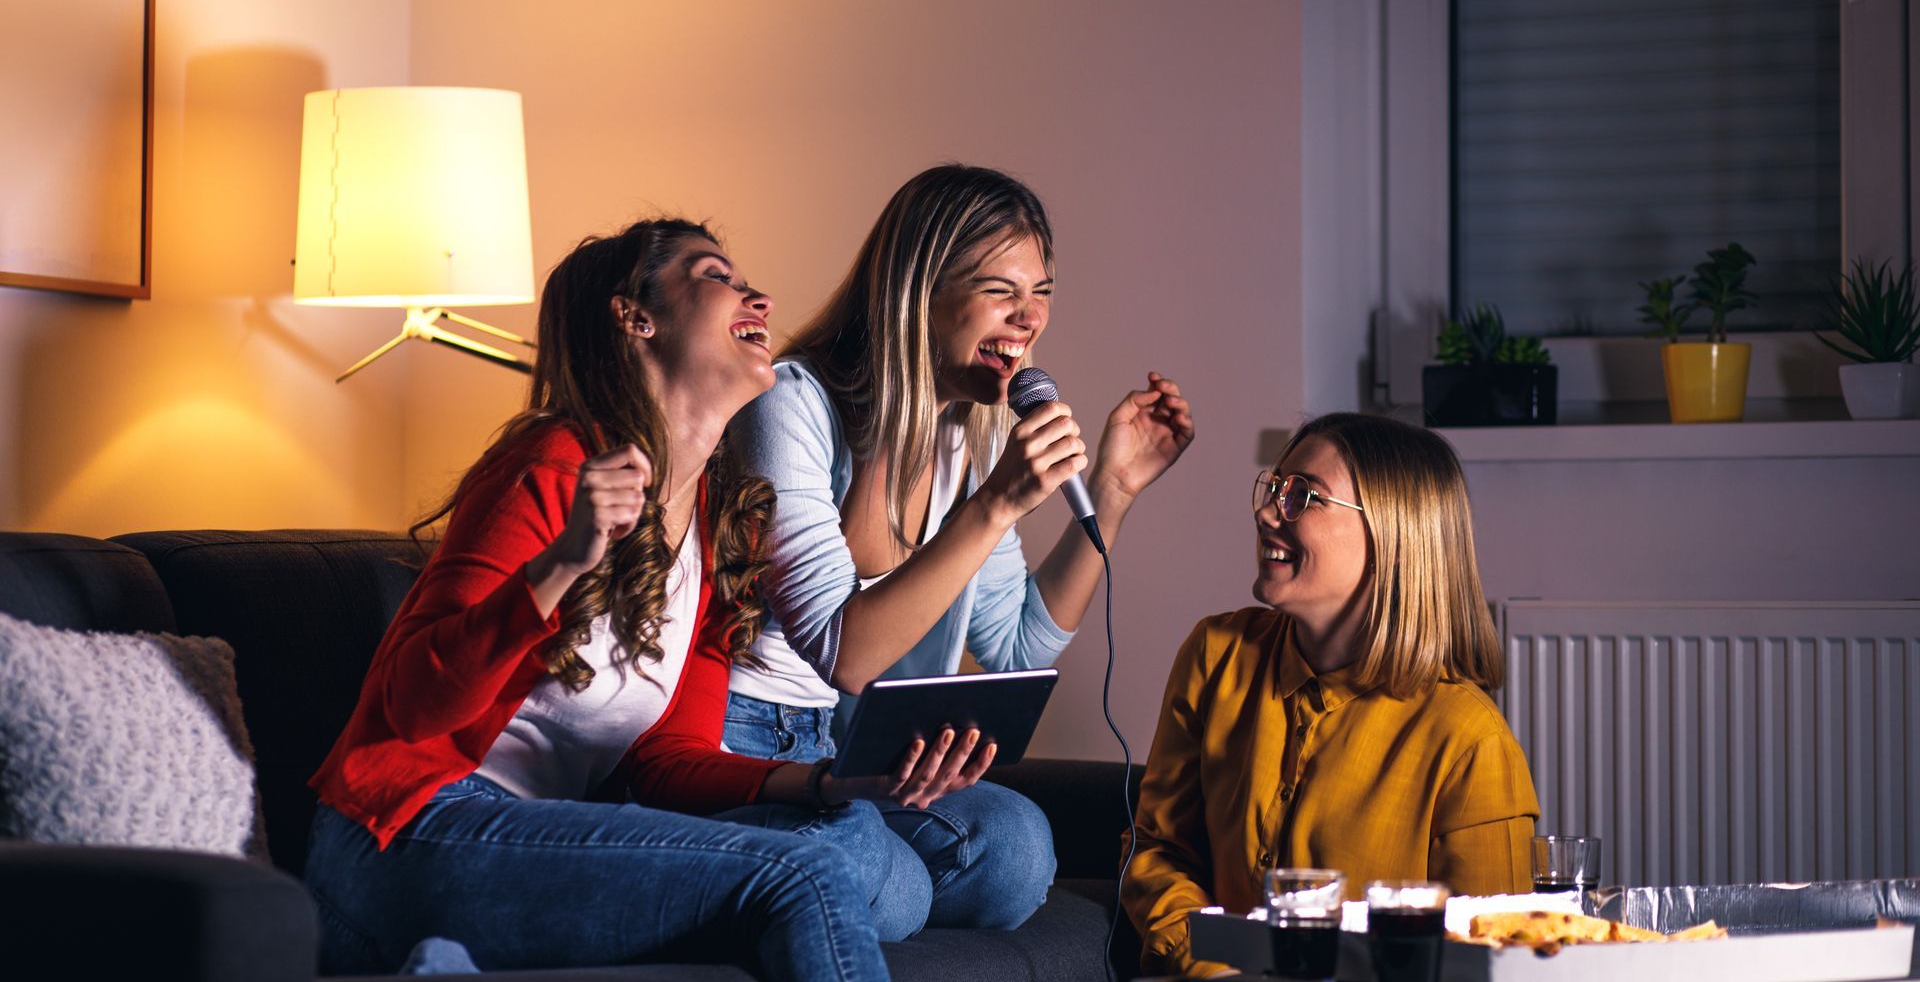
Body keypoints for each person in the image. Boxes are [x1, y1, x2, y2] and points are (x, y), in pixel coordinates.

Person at [305, 219, 990, 979]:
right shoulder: (553, 465)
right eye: (716, 276)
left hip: (538, 838)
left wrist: (827, 784)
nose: (756, 294)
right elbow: (413, 703)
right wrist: (563, 564)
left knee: (835, 842)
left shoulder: (718, 518)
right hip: (406, 831)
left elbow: (668, 760)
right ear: (637, 317)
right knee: (804, 876)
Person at [724, 164, 1195, 931]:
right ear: (918, 290)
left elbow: (1016, 647)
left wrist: (1111, 492)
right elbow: (845, 655)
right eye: (1001, 291)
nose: (1029, 318)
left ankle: (835, 888)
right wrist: (995, 504)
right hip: (745, 739)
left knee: (1015, 848)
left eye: (1041, 292)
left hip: (845, 749)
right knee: (896, 885)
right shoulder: (790, 404)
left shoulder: (960, 436)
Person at [1122, 413, 1538, 977]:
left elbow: (1493, 959)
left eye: (1304, 496)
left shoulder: (1470, 740)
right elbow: (1158, 851)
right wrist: (1212, 969)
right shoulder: (1215, 653)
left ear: (1394, 533)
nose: (1267, 511)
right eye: (1274, 489)